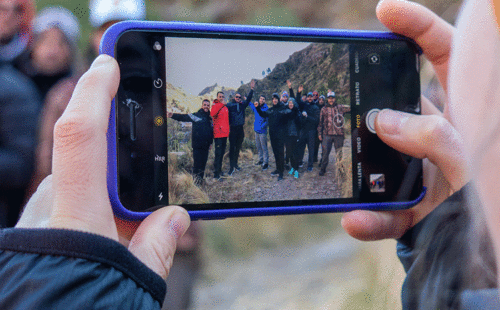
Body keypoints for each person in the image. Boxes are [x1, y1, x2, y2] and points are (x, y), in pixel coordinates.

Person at [0, 55, 191, 309]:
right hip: (85, 216)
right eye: (105, 27)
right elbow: (44, 154)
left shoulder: (161, 90)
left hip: (156, 216)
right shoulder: (65, 92)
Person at [0, 0, 40, 228]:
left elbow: (22, 162)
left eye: (15, 10)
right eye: (1, 9)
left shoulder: (30, 65)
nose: (7, 16)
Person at [21, 6, 81, 102]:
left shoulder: (80, 90)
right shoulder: (13, 84)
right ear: (33, 45)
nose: (53, 50)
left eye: (61, 43)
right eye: (46, 41)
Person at [167, 99, 213, 185]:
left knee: (203, 164)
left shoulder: (209, 118)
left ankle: (200, 181)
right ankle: (195, 184)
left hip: (206, 146)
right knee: (197, 165)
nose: (206, 106)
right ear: (202, 106)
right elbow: (183, 117)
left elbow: (211, 132)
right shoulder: (196, 115)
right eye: (204, 105)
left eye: (207, 105)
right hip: (197, 146)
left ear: (209, 106)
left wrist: (210, 143)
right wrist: (172, 115)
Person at [255, 93, 292, 181]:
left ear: (278, 100)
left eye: (276, 98)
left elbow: (290, 114)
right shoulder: (270, 110)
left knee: (280, 153)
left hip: (281, 135)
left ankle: (281, 172)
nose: (274, 100)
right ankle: (277, 168)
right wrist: (257, 108)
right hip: (272, 135)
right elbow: (263, 114)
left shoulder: (283, 109)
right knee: (275, 152)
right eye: (273, 99)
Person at [317, 91, 350, 176]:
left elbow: (351, 108)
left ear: (335, 98)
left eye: (332, 98)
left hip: (339, 135)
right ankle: (323, 169)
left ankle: (340, 170)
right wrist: (319, 134)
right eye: (329, 98)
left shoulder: (340, 107)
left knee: (339, 154)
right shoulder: (323, 109)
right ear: (327, 99)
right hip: (327, 134)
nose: (331, 100)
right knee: (325, 153)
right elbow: (320, 123)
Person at [226, 80, 255, 175]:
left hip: (240, 130)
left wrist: (251, 89)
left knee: (238, 148)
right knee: (232, 148)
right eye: (237, 97)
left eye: (239, 97)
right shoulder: (230, 105)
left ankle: (235, 164)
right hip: (233, 130)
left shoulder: (242, 105)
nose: (238, 98)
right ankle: (231, 168)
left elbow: (249, 99)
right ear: (234, 98)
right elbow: (222, 108)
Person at [297, 92, 320, 171]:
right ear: (306, 98)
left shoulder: (315, 107)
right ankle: (300, 161)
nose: (310, 98)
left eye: (311, 97)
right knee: (301, 147)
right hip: (303, 130)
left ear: (313, 98)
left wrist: (307, 117)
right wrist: (299, 93)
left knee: (311, 148)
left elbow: (316, 120)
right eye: (308, 97)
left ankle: (310, 164)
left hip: (311, 131)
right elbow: (297, 101)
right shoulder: (304, 105)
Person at [211, 92, 230, 180]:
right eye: (220, 97)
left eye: (223, 96)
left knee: (222, 154)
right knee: (218, 154)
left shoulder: (225, 107)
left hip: (224, 134)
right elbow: (212, 114)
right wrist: (221, 104)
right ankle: (216, 174)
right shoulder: (215, 105)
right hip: (218, 134)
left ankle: (219, 170)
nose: (221, 98)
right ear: (217, 97)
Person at [249, 95, 269, 170]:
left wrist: (262, 127)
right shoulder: (256, 107)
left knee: (264, 147)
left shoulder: (266, 109)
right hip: (256, 131)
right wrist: (246, 98)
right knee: (258, 146)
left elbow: (267, 121)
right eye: (261, 98)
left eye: (263, 99)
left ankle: (266, 162)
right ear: (259, 99)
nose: (262, 100)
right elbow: (251, 105)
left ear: (265, 101)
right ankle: (260, 160)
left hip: (262, 131)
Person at [284, 98, 301, 179]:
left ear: (294, 104)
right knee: (289, 153)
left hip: (295, 135)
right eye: (289, 103)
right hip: (288, 135)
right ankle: (293, 168)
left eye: (292, 103)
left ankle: (296, 170)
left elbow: (300, 125)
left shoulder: (297, 112)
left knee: (295, 153)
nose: (290, 104)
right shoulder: (286, 112)